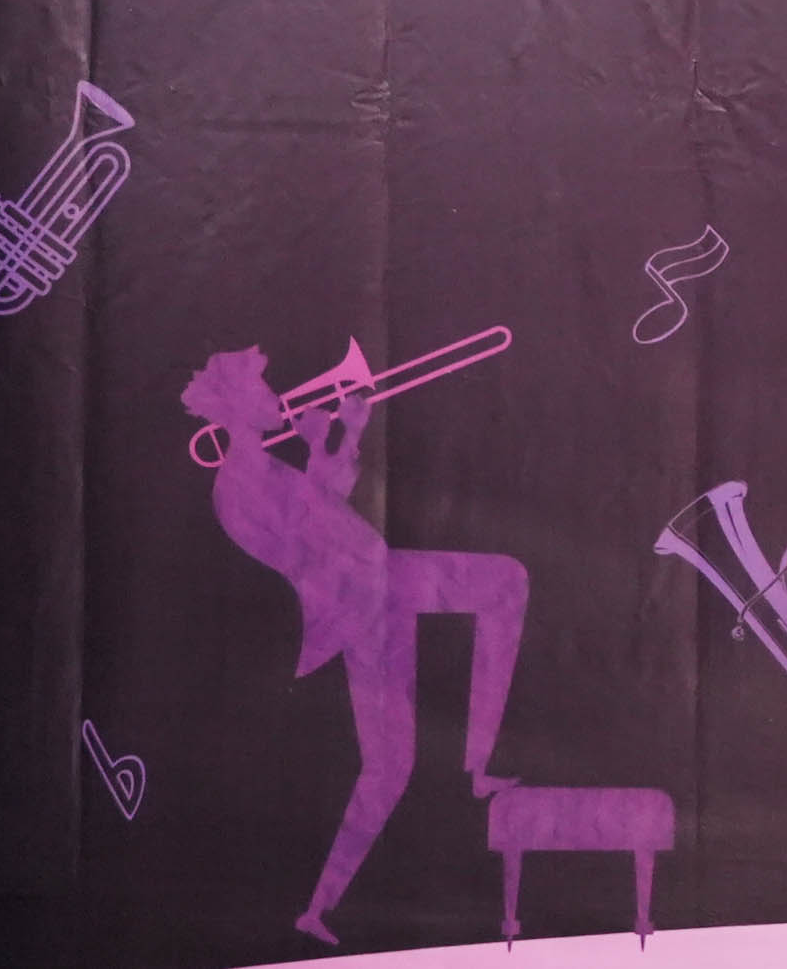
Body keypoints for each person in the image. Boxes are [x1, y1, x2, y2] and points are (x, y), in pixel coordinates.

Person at [179, 347, 529, 946]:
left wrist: (345, 436)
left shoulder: (261, 467)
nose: (275, 398)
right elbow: (309, 541)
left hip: (377, 582)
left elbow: (327, 503)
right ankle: (319, 908)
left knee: (506, 583)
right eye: (262, 390)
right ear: (236, 405)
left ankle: (477, 766)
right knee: (390, 766)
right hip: (360, 603)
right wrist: (328, 442)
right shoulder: (238, 484)